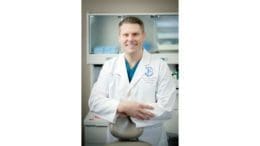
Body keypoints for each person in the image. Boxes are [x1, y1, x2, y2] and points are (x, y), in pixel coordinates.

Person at [89, 16, 177, 146]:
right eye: (126, 35)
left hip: (150, 137)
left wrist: (132, 111)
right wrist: (122, 107)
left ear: (143, 36)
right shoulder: (109, 66)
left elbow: (167, 108)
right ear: (119, 38)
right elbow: (94, 102)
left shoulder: (159, 66)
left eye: (135, 34)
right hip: (116, 137)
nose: (130, 39)